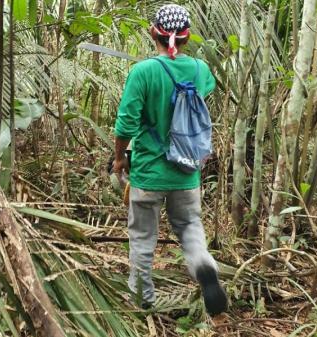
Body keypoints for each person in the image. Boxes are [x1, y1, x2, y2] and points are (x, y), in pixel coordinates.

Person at [112, 4, 228, 316]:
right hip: (187, 172)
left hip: (149, 173)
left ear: (153, 33)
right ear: (187, 37)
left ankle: (142, 298)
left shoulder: (143, 72)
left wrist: (120, 158)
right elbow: (204, 94)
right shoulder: (201, 71)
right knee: (190, 224)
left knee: (142, 238)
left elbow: (125, 126)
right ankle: (203, 263)